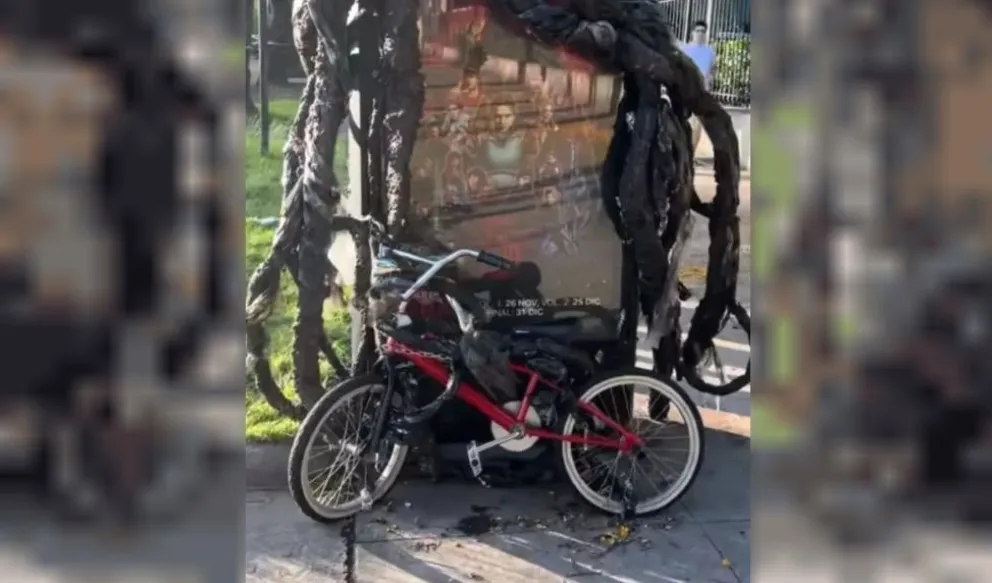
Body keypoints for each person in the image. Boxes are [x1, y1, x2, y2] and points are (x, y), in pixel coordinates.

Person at [680, 20, 716, 154]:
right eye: (698, 31)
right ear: (692, 33)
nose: (700, 34)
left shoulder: (710, 52)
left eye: (703, 31)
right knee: (683, 121)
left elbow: (713, 70)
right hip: (685, 90)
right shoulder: (685, 50)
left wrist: (710, 80)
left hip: (701, 92)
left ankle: (691, 153)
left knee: (697, 125)